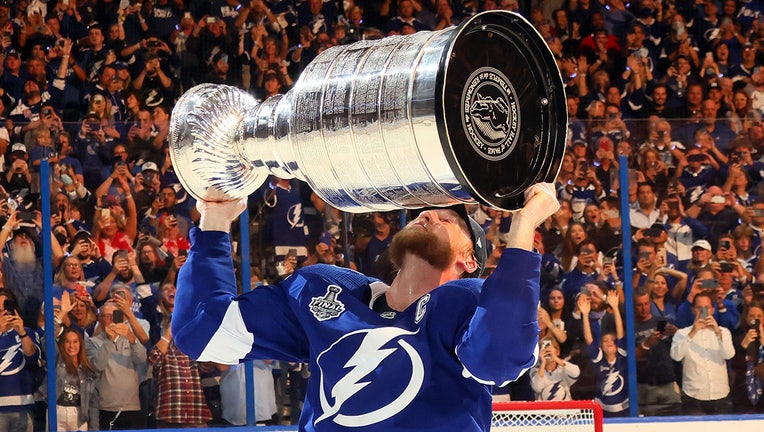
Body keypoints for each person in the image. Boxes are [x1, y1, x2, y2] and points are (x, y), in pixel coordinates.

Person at [172, 183, 559, 431]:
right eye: (426, 212)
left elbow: (500, 357)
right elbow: (203, 331)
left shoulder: (472, 303)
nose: (428, 214)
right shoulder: (327, 291)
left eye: (447, 219)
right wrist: (214, 221)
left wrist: (523, 226)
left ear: (469, 259)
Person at [670, 291, 735, 415]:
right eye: (699, 308)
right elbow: (676, 356)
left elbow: (729, 354)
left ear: (712, 310)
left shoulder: (724, 332)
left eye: (706, 308)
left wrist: (717, 333)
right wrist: (693, 332)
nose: (703, 312)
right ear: (693, 310)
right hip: (693, 395)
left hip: (720, 394)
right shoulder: (682, 334)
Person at [0, 289, 41, 432]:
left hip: (23, 405)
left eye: (5, 309)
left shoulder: (28, 332)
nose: (3, 314)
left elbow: (32, 358)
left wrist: (22, 332)